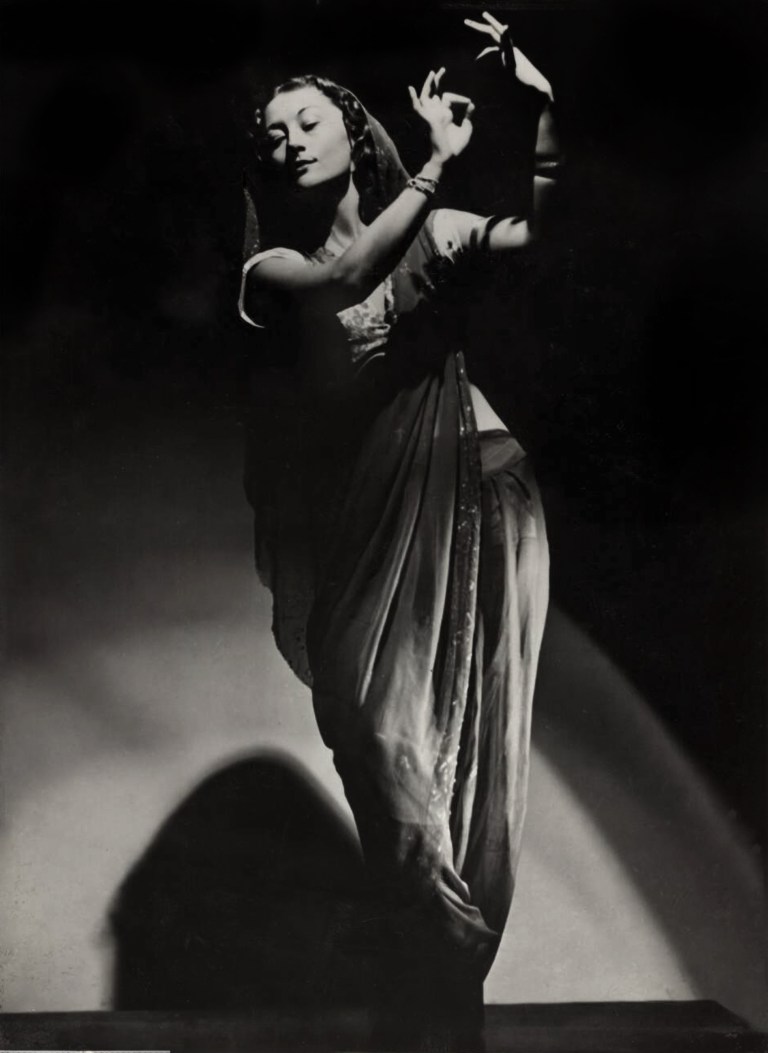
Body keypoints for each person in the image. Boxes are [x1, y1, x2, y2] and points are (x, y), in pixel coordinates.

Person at [238, 12, 559, 1050]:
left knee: (470, 741)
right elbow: (345, 284)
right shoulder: (272, 270)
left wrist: (539, 106)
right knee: (375, 735)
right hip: (370, 521)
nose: (286, 136)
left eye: (305, 120)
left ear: (348, 135)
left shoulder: (440, 230)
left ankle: (444, 998)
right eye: (271, 128)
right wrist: (435, 165)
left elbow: (545, 227)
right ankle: (442, 961)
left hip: (481, 492)